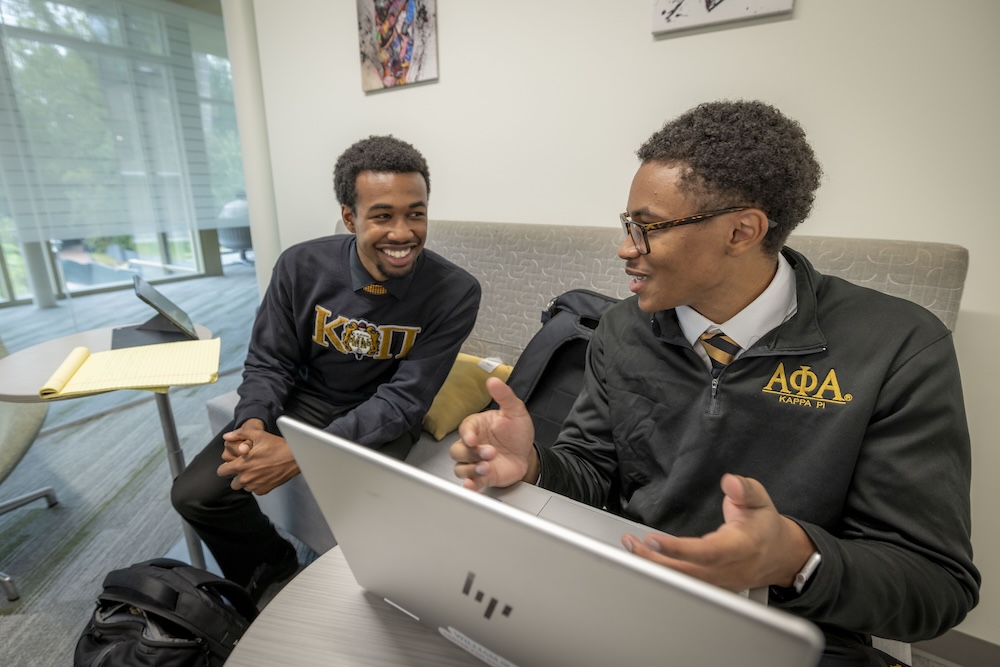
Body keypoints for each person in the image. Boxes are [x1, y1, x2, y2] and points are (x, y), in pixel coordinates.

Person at [451, 100, 979, 666]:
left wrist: (794, 558)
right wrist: (531, 466)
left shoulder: (896, 346)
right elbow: (592, 475)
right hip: (628, 599)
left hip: (788, 632)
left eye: (648, 228)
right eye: (627, 225)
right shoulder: (622, 329)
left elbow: (935, 584)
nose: (626, 248)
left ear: (742, 231)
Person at [173, 135, 481, 602]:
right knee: (195, 493)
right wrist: (254, 423)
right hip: (305, 400)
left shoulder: (456, 291)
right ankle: (274, 570)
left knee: (370, 535)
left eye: (415, 213)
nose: (403, 233)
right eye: (382, 215)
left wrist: (304, 452)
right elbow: (270, 360)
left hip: (381, 418)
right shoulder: (300, 266)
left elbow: (405, 399)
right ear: (349, 216)